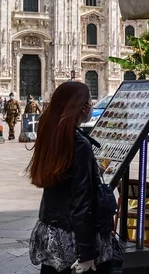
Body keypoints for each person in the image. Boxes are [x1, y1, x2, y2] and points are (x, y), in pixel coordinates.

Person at [28, 82, 118, 274]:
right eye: (90, 102)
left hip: (51, 232)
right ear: (83, 108)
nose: (92, 107)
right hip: (73, 238)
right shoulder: (78, 144)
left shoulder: (51, 136)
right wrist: (87, 253)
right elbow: (81, 203)